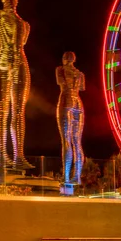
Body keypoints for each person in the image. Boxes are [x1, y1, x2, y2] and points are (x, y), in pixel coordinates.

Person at [0, 0, 33, 169]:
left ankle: (18, 156)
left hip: (19, 62)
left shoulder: (25, 24)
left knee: (18, 110)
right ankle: (0, 155)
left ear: (17, 0)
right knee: (1, 107)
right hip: (4, 60)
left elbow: (21, 43)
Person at [56, 52, 86, 184]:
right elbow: (82, 88)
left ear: (64, 59)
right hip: (78, 104)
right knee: (77, 142)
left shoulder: (60, 70)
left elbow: (61, 83)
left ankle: (66, 176)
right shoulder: (80, 74)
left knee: (66, 140)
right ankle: (77, 177)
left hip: (66, 101)